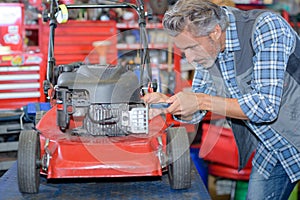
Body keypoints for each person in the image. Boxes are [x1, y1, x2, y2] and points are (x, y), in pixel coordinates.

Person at [143, 0, 300, 199]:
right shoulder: (209, 48)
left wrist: (201, 101)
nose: (189, 59)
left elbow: (265, 107)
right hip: (274, 145)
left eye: (192, 47)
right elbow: (197, 104)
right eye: (184, 50)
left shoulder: (265, 28)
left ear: (216, 32)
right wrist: (169, 104)